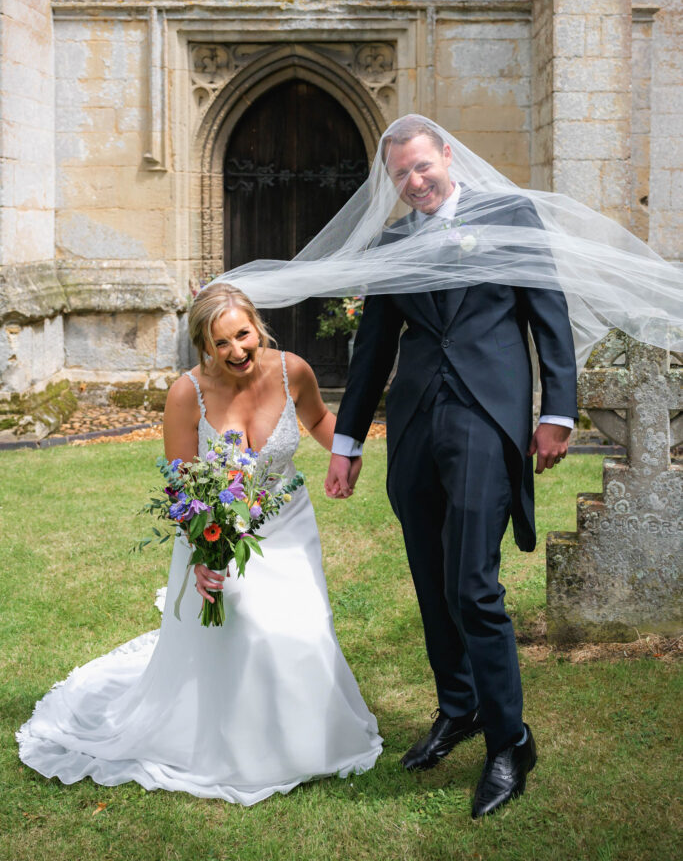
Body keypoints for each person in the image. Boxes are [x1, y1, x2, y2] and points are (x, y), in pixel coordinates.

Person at [17, 283, 382, 805]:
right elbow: (182, 483)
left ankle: (309, 737)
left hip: (287, 521)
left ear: (257, 326)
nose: (236, 351)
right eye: (221, 344)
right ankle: (237, 743)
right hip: (219, 533)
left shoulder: (292, 370)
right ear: (203, 347)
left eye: (243, 335)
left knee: (306, 626)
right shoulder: (187, 392)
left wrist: (347, 452)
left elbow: (321, 421)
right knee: (250, 625)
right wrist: (203, 557)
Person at [324, 116, 578, 818]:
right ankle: (457, 707)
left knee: (472, 585)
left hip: (484, 422)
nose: (413, 183)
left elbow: (546, 310)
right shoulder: (393, 243)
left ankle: (508, 741)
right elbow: (373, 348)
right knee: (432, 582)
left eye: (420, 167)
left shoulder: (508, 215)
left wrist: (556, 410)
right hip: (412, 428)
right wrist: (347, 443)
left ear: (445, 156)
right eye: (400, 175)